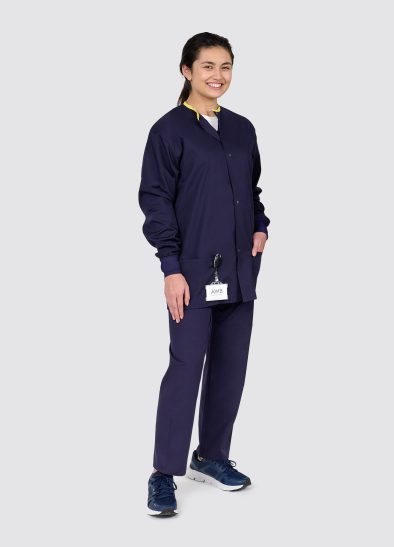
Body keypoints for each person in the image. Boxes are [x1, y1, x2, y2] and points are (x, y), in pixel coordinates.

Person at [138, 32, 270, 518]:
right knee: (185, 367)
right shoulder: (168, 131)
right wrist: (171, 268)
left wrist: (260, 226)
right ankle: (163, 472)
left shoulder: (242, 129)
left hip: (240, 267)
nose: (218, 75)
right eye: (208, 66)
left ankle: (211, 456)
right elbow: (156, 201)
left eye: (226, 66)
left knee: (231, 366)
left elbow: (252, 190)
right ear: (187, 71)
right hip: (193, 271)